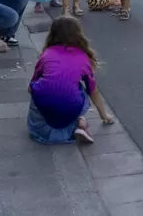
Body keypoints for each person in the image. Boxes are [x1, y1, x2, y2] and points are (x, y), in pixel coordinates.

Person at [27, 16, 114, 145]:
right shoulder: (83, 57)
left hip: (41, 124)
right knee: (80, 89)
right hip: (71, 105)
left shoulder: (46, 54)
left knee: (38, 89)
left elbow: (30, 88)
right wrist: (104, 115)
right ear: (79, 35)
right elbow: (93, 91)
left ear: (52, 34)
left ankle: (67, 125)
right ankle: (80, 121)